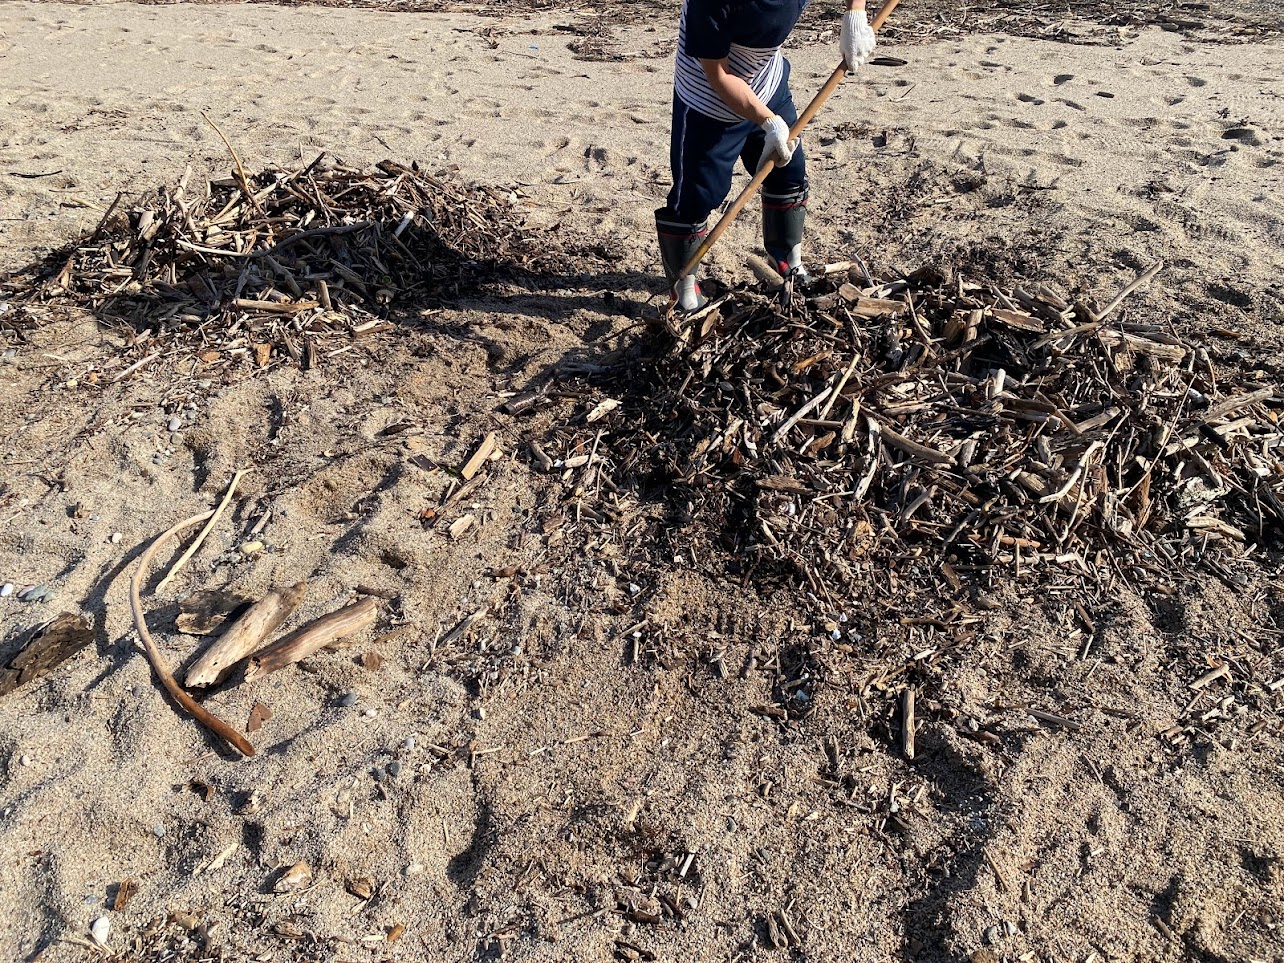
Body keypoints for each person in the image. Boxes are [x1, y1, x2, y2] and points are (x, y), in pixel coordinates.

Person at [655, 0, 876, 311]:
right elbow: (718, 75)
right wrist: (768, 121)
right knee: (698, 196)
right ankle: (684, 288)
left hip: (766, 81)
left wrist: (855, 15)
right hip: (709, 98)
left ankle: (785, 260)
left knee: (789, 171)